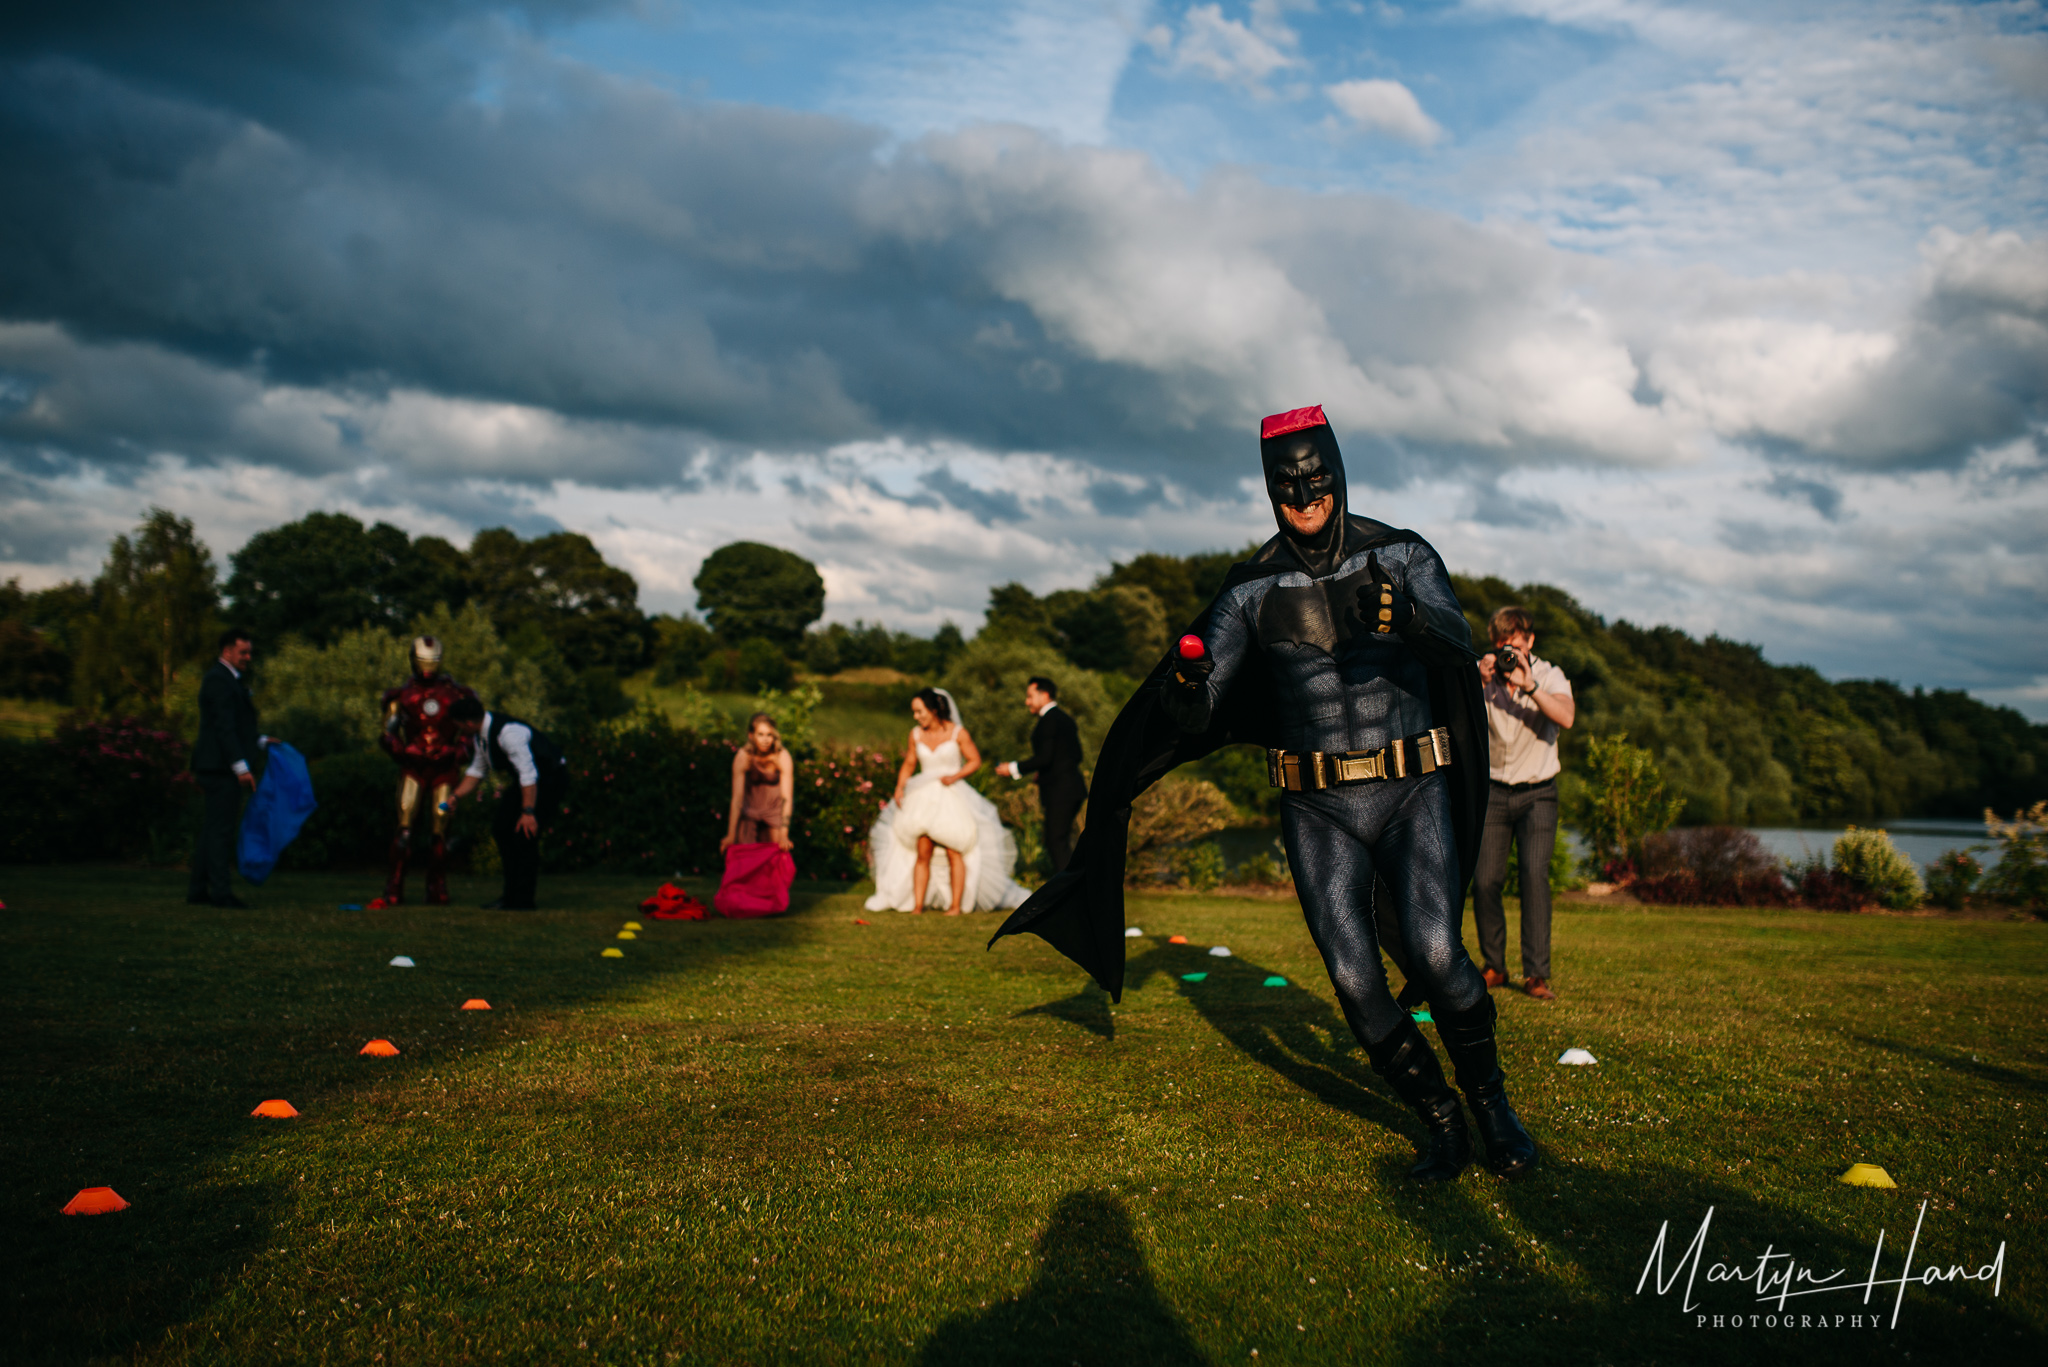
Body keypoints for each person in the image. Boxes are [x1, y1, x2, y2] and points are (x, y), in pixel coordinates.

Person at [992, 404, 1535, 1185]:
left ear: (1338, 471)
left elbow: (1459, 645)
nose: (1304, 492)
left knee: (1440, 951)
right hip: (1316, 807)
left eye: (1316, 476)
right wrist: (1185, 693)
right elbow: (1202, 694)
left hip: (1413, 787)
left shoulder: (1405, 554)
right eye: (1287, 482)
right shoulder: (1248, 589)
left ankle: (1495, 1109)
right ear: (1267, 488)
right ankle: (1442, 1122)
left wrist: (1408, 617)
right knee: (1352, 976)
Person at [1473, 605, 1575, 1001]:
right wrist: (1473, 679)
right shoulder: (1484, 677)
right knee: (1485, 881)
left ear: (1530, 642)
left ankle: (1536, 975)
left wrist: (1530, 686)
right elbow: (1448, 712)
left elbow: (1565, 717)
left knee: (1534, 877)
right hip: (1494, 790)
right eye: (1502, 647)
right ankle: (1494, 965)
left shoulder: (1550, 675)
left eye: (1515, 646)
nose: (1509, 655)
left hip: (1538, 792)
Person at [865, 687, 1031, 915]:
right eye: (914, 712)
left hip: (952, 794)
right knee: (923, 848)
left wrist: (955, 776)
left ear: (933, 710)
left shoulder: (958, 733)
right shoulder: (915, 734)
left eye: (919, 711)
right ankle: (917, 905)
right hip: (923, 796)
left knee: (955, 847)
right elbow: (910, 763)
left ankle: (955, 905)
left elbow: (974, 760)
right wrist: (900, 786)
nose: (916, 717)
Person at [374, 635, 479, 907]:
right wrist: (404, 751)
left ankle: (436, 886)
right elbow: (387, 734)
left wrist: (454, 752)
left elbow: (469, 732)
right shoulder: (403, 696)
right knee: (404, 828)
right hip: (413, 769)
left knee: (439, 829)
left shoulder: (456, 694)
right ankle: (394, 885)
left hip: (444, 770)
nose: (428, 666)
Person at [444, 697, 569, 910]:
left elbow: (528, 774)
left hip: (550, 779)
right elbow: (477, 771)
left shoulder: (508, 734)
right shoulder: (480, 736)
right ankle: (509, 897)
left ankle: (523, 901)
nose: (457, 730)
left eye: (457, 725)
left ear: (468, 723)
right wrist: (455, 796)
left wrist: (528, 812)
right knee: (502, 828)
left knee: (524, 834)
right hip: (528, 781)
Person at [187, 627, 273, 908]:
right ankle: (221, 893)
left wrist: (260, 741)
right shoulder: (219, 681)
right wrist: (241, 767)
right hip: (220, 769)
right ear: (227, 651)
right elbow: (224, 729)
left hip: (217, 766)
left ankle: (198, 890)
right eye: (243, 652)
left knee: (213, 829)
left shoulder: (228, 680)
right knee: (221, 831)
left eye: (249, 652)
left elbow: (236, 727)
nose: (248, 657)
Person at [996, 676, 1087, 873]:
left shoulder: (1049, 720)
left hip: (1060, 790)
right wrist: (1045, 772)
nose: (1026, 701)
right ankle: (1073, 888)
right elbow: (1075, 755)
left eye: (1030, 696)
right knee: (1060, 840)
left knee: (1055, 841)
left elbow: (1045, 757)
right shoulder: (1065, 719)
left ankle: (1069, 892)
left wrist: (1012, 768)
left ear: (1044, 695)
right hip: (1072, 788)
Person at [715, 712, 797, 917]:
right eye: (760, 734)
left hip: (774, 810)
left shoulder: (782, 757)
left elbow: (787, 797)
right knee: (745, 859)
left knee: (775, 856)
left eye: (769, 734)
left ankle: (769, 905)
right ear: (751, 735)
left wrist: (785, 833)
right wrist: (730, 834)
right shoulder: (743, 757)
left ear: (774, 736)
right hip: (750, 810)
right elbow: (737, 798)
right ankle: (744, 904)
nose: (765, 739)